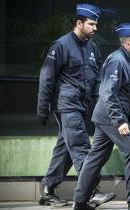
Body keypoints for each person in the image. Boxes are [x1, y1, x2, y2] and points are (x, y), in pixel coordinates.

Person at [36, 3, 115, 207]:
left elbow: (97, 78)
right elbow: (46, 78)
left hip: (81, 105)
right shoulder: (61, 45)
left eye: (96, 24)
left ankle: (48, 190)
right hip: (66, 104)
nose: (95, 28)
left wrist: (99, 100)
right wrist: (42, 108)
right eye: (91, 24)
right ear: (78, 23)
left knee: (66, 149)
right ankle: (91, 191)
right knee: (80, 145)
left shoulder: (92, 47)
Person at [72, 23, 130, 210]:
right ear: (127, 43)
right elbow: (108, 93)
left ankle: (80, 202)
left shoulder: (126, 60)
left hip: (105, 116)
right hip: (111, 116)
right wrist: (120, 121)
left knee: (95, 159)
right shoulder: (118, 61)